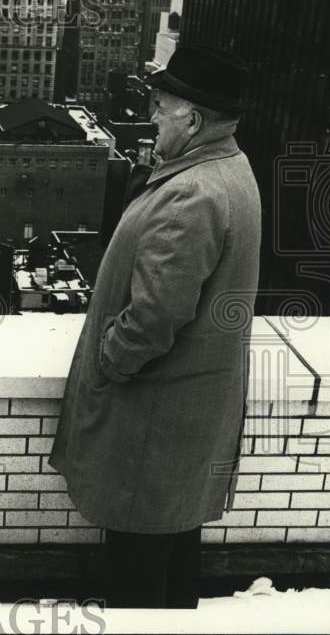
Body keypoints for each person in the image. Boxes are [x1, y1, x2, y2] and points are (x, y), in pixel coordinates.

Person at [49, 45, 261, 609]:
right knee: (172, 563)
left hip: (153, 428)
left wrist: (108, 361)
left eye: (160, 107)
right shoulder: (230, 170)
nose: (151, 116)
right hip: (184, 429)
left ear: (191, 119)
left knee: (136, 582)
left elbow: (153, 317)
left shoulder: (190, 195)